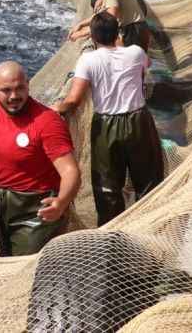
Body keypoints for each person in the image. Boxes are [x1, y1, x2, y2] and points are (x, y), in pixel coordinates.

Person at [0, 61, 80, 256]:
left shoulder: (47, 121)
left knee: (24, 262)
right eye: (6, 90)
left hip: (37, 209)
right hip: (1, 200)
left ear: (28, 85)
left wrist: (61, 202)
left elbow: (70, 171)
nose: (14, 96)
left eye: (19, 88)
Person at [53, 13, 164, 226]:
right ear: (117, 33)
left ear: (93, 37)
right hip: (139, 121)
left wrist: (56, 108)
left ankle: (111, 232)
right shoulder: (136, 52)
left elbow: (74, 100)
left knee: (108, 188)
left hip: (106, 126)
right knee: (148, 180)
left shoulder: (88, 60)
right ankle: (150, 225)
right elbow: (145, 66)